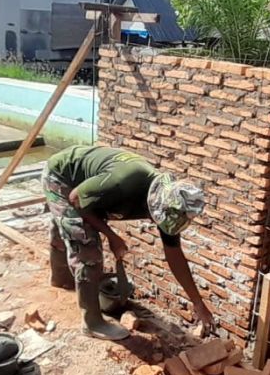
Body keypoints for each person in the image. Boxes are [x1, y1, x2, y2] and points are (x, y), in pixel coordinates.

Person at [43, 145, 214, 340]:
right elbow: (76, 200)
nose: (154, 221)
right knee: (85, 243)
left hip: (88, 189)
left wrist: (198, 304)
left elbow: (174, 255)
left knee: (67, 223)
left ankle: (61, 279)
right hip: (62, 178)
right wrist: (112, 236)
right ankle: (92, 323)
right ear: (153, 204)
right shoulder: (124, 183)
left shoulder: (171, 202)